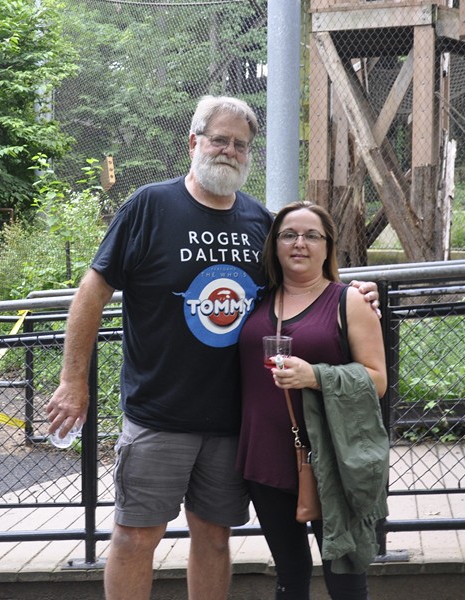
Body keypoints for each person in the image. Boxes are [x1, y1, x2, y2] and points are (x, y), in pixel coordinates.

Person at [45, 95, 379, 600]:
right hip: (159, 415)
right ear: (193, 143)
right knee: (136, 537)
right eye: (218, 139)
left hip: (231, 424)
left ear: (249, 154)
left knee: (214, 538)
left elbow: (302, 276)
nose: (228, 151)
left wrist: (353, 292)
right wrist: (73, 381)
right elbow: (92, 292)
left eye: (239, 144)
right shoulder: (149, 206)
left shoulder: (259, 222)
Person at [237, 201, 389, 600]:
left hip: (332, 459)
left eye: (311, 235)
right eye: (288, 234)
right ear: (275, 245)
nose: (299, 243)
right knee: (289, 573)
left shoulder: (349, 301)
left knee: (344, 571)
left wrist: (316, 376)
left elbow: (377, 380)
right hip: (265, 457)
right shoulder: (257, 299)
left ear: (328, 247)